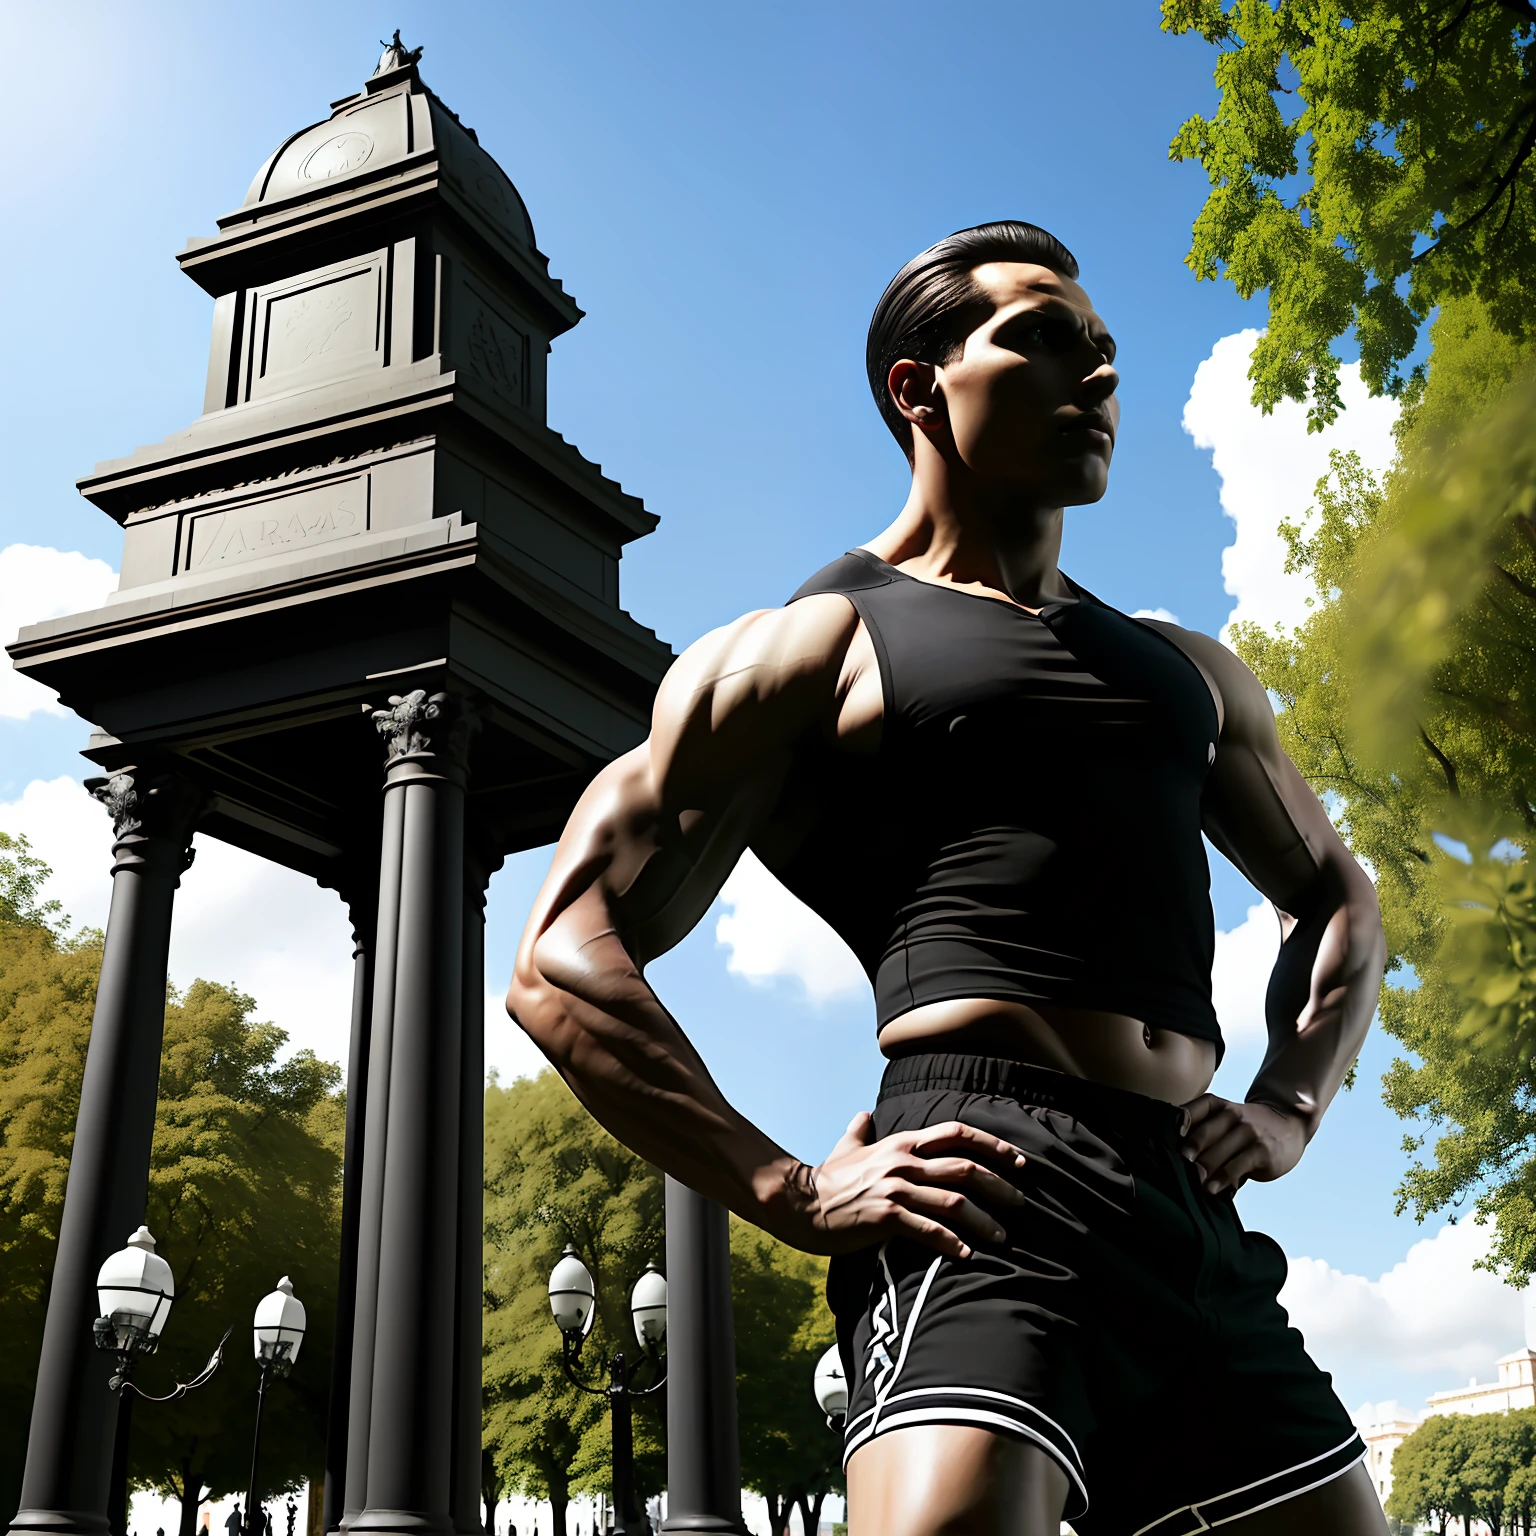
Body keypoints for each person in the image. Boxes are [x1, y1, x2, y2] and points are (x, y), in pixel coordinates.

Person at [508, 221, 1387, 1535]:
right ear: (917, 388)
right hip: (982, 1184)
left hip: (1189, 1203)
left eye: (1103, 352)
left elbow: (1335, 898)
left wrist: (1288, 1111)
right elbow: (560, 958)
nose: (1094, 377)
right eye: (1041, 340)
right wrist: (783, 1185)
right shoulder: (808, 649)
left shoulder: (1189, 672)